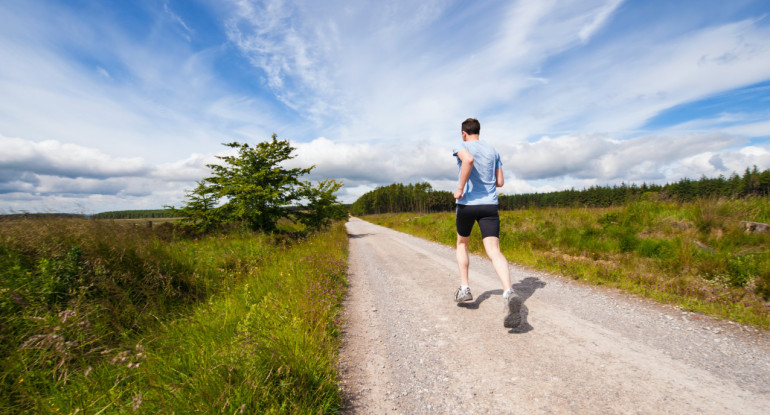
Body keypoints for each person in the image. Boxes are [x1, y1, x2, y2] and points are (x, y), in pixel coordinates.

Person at [452, 118, 521, 328]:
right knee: (494, 250)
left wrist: (461, 188)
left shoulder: (461, 146)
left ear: (464, 133)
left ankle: (465, 288)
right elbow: (500, 182)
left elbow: (468, 160)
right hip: (489, 205)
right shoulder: (493, 150)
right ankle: (509, 291)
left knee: (462, 243)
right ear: (478, 132)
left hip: (467, 204)